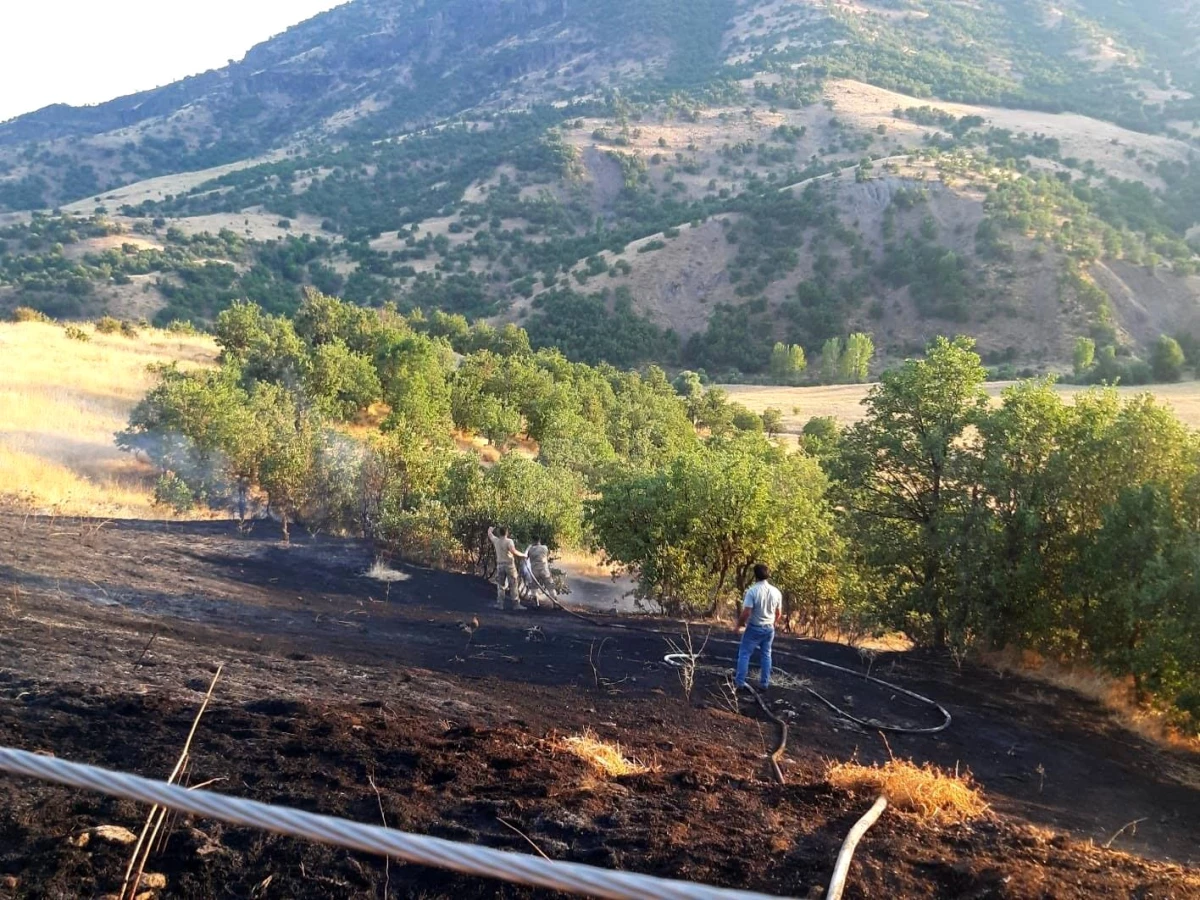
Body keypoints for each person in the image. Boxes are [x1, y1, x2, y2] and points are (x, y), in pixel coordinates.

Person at [734, 563, 783, 692]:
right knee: (766, 655)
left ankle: (739, 683)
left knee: (744, 654)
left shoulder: (752, 591)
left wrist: (738, 625)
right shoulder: (776, 592)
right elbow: (778, 613)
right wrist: (773, 623)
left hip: (754, 628)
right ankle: (764, 683)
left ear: (754, 575)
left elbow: (746, 612)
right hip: (769, 629)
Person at [487, 525, 526, 610]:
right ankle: (516, 604)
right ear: (507, 533)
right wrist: (523, 555)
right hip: (509, 565)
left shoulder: (496, 541)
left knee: (500, 585)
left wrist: (490, 529)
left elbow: (490, 534)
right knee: (513, 584)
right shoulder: (509, 541)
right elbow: (513, 551)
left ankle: (500, 604)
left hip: (500, 565)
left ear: (499, 533)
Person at [523, 536, 556, 607]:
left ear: (533, 541)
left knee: (534, 588)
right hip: (544, 570)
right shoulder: (545, 548)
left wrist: (528, 547)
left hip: (534, 572)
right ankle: (555, 603)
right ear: (539, 541)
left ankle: (535, 603)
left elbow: (525, 557)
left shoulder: (530, 549)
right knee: (550, 587)